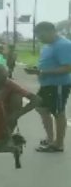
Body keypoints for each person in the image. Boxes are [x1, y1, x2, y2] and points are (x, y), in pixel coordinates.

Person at [25, 22, 71, 152]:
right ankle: (50, 138)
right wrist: (37, 69)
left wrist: (42, 72)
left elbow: (67, 68)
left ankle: (58, 144)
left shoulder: (64, 45)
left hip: (58, 85)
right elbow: (48, 64)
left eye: (42, 35)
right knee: (40, 108)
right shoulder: (47, 46)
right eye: (38, 36)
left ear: (52, 31)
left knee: (58, 112)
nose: (40, 38)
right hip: (47, 84)